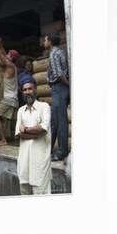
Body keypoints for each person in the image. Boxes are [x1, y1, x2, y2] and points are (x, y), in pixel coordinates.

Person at [15, 78, 52, 195]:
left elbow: (43, 129)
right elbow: (19, 134)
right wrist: (36, 131)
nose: (27, 92)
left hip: (40, 162)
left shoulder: (44, 106)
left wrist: (26, 129)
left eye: (30, 88)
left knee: (40, 194)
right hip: (24, 162)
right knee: (25, 193)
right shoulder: (20, 111)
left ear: (35, 89)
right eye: (25, 90)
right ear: (22, 92)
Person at [44, 32, 70, 161]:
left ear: (50, 41)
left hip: (59, 87)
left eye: (45, 39)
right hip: (58, 88)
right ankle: (49, 149)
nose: (44, 42)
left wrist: (68, 85)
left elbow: (59, 74)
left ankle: (61, 152)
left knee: (60, 121)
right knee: (54, 120)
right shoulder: (58, 52)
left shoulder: (54, 54)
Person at [0, 30, 20, 146]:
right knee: (13, 120)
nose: (6, 55)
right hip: (13, 99)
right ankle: (18, 138)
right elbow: (3, 52)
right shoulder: (12, 65)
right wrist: (0, 42)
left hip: (8, 99)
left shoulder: (10, 66)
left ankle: (3, 140)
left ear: (11, 58)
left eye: (8, 54)